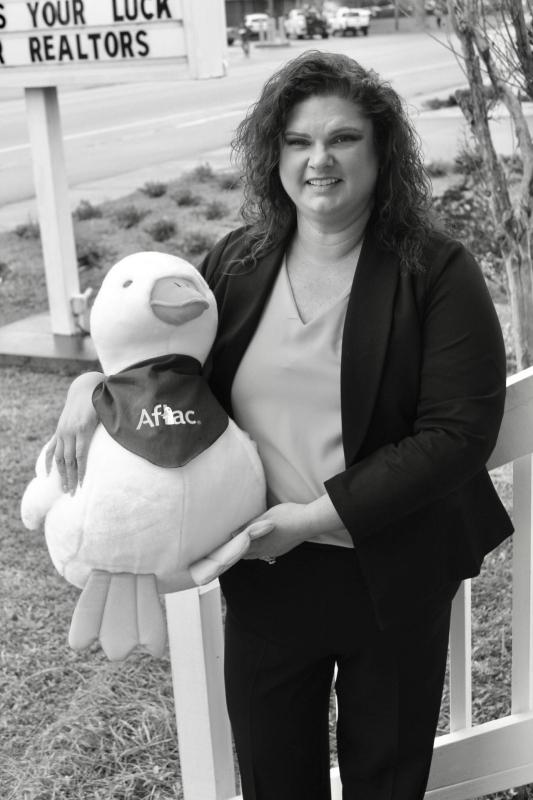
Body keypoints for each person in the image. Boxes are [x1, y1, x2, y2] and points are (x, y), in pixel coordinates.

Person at [47, 52, 513, 800]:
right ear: (275, 155)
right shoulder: (238, 262)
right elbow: (166, 364)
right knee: (273, 776)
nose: (318, 160)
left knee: (386, 779)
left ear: (381, 152)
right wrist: (89, 387)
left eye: (343, 138)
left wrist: (312, 519)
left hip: (392, 570)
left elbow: (456, 435)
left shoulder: (435, 270)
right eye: (298, 141)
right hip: (267, 572)